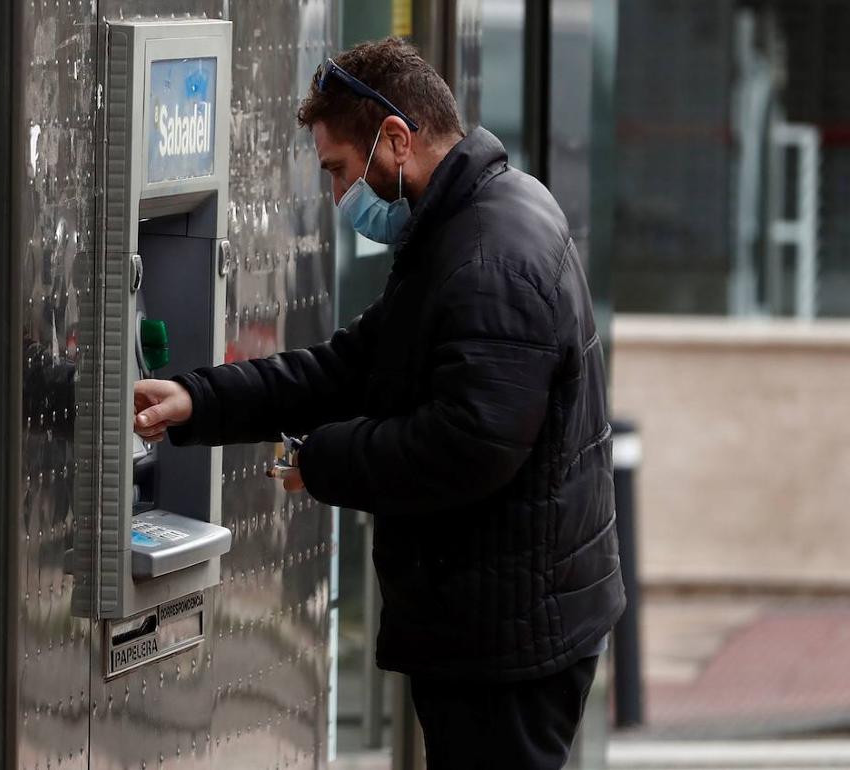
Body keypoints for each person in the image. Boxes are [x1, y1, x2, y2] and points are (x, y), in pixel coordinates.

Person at [133, 37, 624, 769]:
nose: (337, 198)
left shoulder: (488, 257)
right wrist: (198, 401)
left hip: (507, 642)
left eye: (338, 170)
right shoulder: (465, 227)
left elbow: (468, 446)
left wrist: (320, 461)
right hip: (500, 617)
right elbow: (348, 370)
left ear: (396, 138)